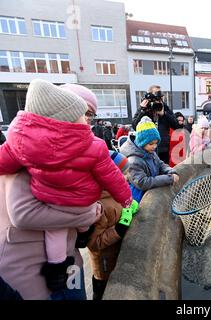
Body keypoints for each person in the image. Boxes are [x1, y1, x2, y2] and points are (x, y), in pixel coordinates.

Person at [0, 79, 133, 295]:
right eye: (83, 112)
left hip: (69, 261)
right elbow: (23, 214)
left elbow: (104, 177)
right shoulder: (28, 151)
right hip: (30, 268)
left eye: (90, 114)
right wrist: (89, 214)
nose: (87, 121)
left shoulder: (78, 150)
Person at [0, 169, 100, 299]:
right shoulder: (18, 159)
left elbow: (82, 196)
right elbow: (22, 215)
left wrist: (93, 209)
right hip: (29, 272)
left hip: (71, 264)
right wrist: (89, 215)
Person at [86, 151, 139, 300]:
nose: (127, 177)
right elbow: (94, 243)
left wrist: (128, 206)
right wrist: (120, 227)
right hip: (104, 261)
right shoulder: (97, 205)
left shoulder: (116, 191)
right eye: (124, 173)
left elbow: (120, 207)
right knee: (102, 287)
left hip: (116, 254)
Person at [120, 116, 179, 203]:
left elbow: (160, 164)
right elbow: (142, 182)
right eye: (151, 144)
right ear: (141, 142)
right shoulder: (133, 161)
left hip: (151, 191)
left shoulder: (150, 151)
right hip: (139, 197)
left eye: (156, 143)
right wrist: (169, 178)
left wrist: (170, 171)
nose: (154, 147)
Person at [131, 85, 181, 164]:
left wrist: (164, 114)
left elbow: (176, 126)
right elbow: (135, 126)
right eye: (156, 94)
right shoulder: (145, 107)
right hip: (147, 149)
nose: (158, 97)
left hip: (163, 148)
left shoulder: (164, 107)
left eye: (160, 94)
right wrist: (142, 110)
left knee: (164, 171)